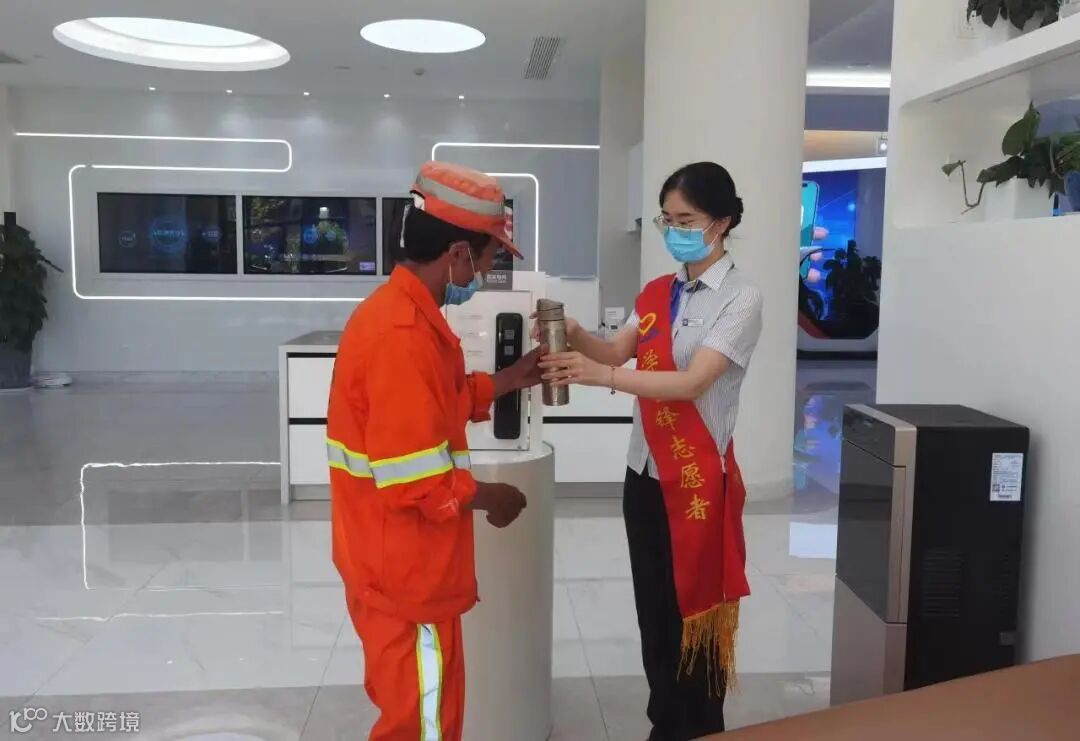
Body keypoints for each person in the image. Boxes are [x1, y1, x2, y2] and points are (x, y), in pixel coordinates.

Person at [540, 162, 763, 740]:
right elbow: (617, 353)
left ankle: (699, 726)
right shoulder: (658, 293)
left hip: (697, 479)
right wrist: (576, 335)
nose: (674, 231)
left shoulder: (741, 299)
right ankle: (665, 722)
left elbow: (693, 382)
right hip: (644, 475)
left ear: (721, 222)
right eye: (667, 220)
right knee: (655, 613)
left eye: (686, 220)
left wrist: (602, 377)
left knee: (697, 614)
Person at [327, 161, 544, 741]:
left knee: (428, 713)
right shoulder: (400, 337)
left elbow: (436, 404)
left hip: (397, 564)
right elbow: (414, 479)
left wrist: (509, 379)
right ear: (457, 254)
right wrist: (492, 496)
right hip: (404, 576)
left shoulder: (409, 318)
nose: (488, 271)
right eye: (489, 257)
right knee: (420, 727)